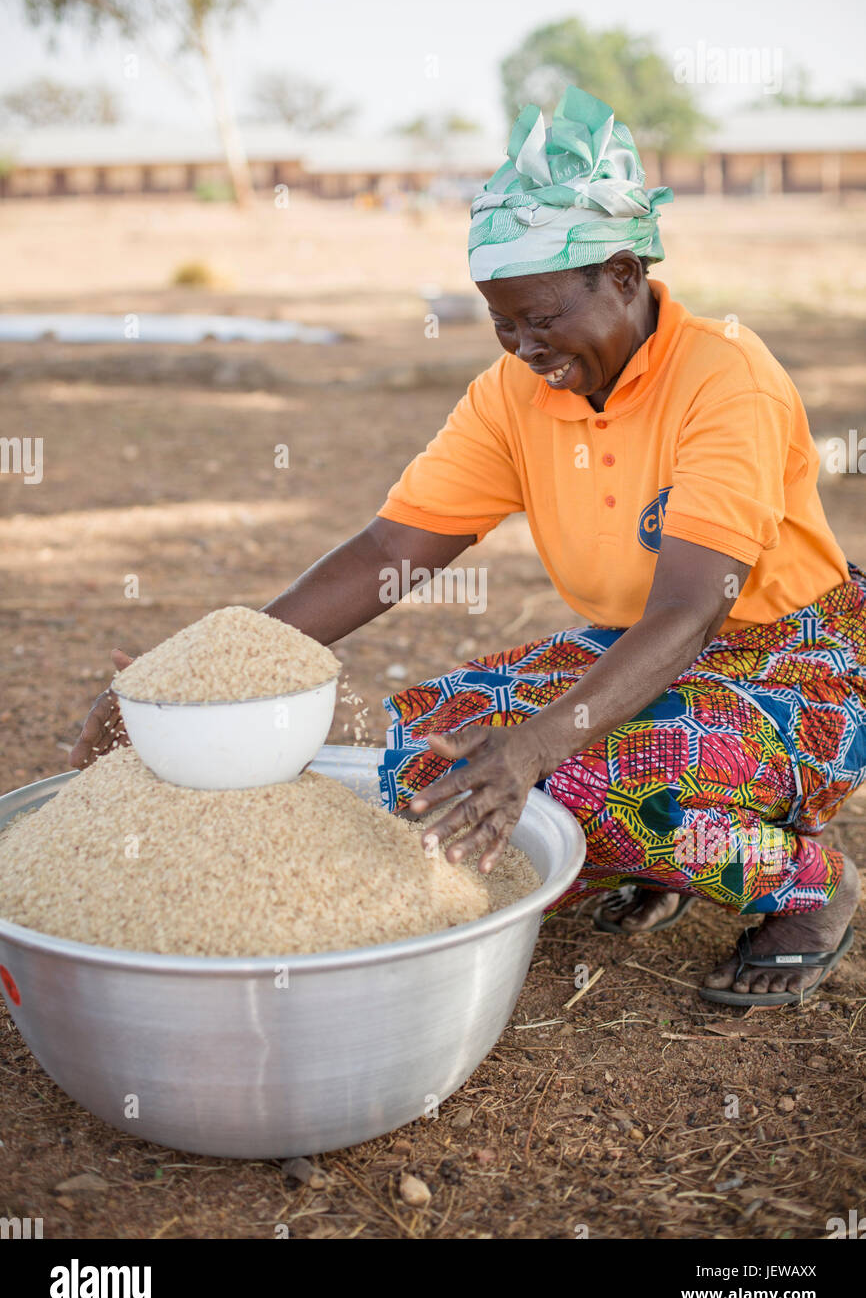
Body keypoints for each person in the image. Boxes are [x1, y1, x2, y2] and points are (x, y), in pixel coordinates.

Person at [72, 86, 864, 1008]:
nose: (524, 348)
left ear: (621, 273)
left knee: (588, 772)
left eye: (542, 319)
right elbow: (386, 552)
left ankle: (810, 885)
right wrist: (187, 676)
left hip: (807, 663)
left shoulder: (726, 379)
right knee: (425, 744)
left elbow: (692, 613)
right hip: (648, 655)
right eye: (503, 323)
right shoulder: (514, 395)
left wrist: (530, 751)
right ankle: (666, 856)